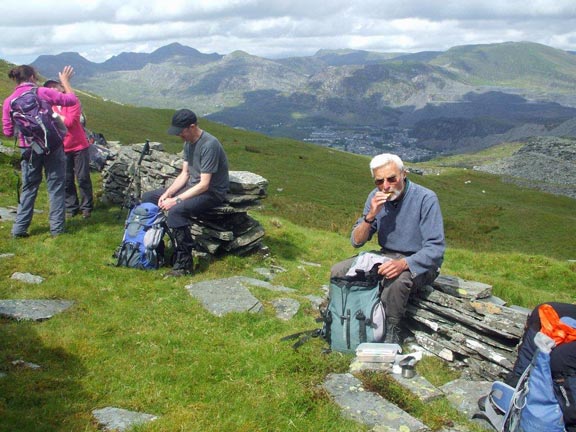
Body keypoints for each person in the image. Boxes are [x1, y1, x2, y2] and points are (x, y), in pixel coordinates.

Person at [330, 153, 445, 344]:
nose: (386, 186)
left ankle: (392, 332)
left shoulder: (426, 198)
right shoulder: (375, 198)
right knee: (339, 270)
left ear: (404, 174)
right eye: (379, 181)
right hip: (386, 255)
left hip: (419, 262)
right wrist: (371, 215)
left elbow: (436, 248)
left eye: (392, 179)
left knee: (396, 280)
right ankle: (342, 318)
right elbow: (356, 241)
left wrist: (404, 264)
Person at [141, 109, 229, 277]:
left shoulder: (209, 145)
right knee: (149, 198)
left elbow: (204, 185)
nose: (179, 135)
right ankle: (154, 247)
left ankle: (184, 264)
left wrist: (176, 201)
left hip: (212, 193)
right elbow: (185, 174)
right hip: (193, 187)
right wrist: (168, 193)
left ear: (192, 126)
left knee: (176, 211)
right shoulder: (188, 143)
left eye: (181, 131)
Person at [2, 65, 79, 238]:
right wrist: (65, 82)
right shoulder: (42, 92)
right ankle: (57, 230)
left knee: (29, 188)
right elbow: (72, 100)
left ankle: (19, 229)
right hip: (52, 145)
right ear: (32, 77)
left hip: (28, 149)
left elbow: (7, 132)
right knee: (56, 187)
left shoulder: (9, 101)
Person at [43, 79, 94, 219]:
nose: (54, 90)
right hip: (62, 147)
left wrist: (55, 116)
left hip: (79, 145)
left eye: (56, 86)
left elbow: (70, 122)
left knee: (83, 177)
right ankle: (72, 207)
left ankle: (87, 207)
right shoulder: (48, 105)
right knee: (66, 179)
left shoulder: (72, 102)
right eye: (50, 88)